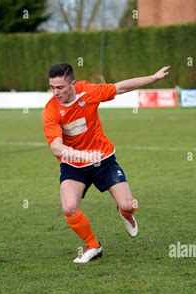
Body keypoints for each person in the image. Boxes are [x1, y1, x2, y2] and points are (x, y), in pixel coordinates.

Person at [42, 63, 170, 263]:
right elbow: (56, 148)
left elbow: (120, 87)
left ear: (72, 84)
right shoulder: (51, 110)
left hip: (103, 159)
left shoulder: (89, 91)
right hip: (74, 166)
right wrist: (83, 157)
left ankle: (125, 213)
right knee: (69, 207)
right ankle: (93, 246)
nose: (55, 92)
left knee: (129, 205)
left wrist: (152, 78)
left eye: (60, 87)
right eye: (52, 87)